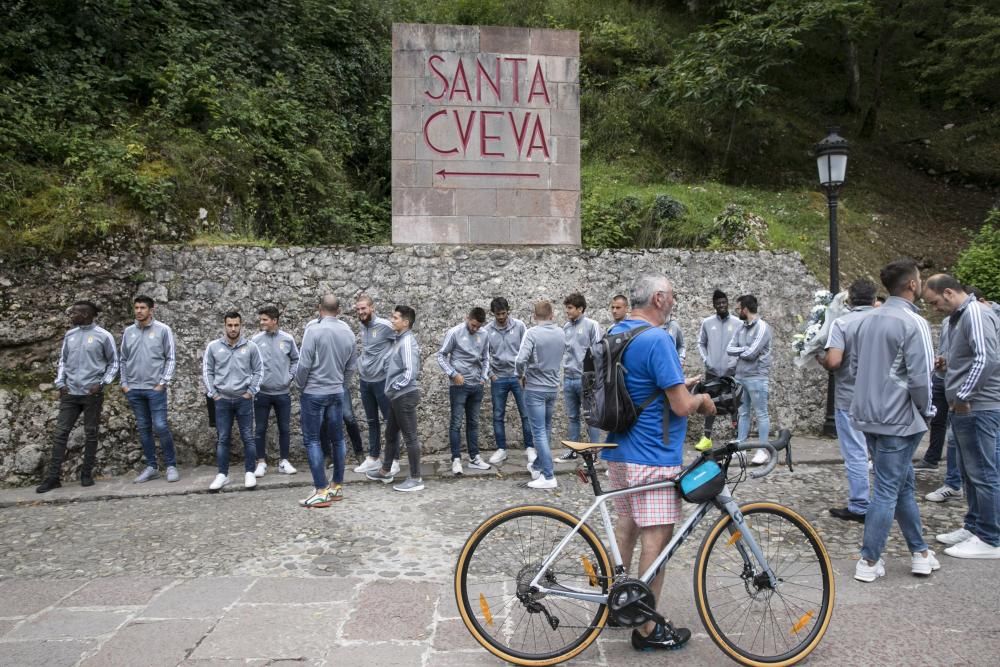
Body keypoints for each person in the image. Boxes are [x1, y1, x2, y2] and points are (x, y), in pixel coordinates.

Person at [603, 274, 716, 651]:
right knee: (658, 538)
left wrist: (679, 381)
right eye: (673, 296)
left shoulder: (618, 333)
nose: (675, 302)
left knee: (626, 526)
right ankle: (647, 628)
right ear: (658, 298)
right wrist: (700, 400)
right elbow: (681, 406)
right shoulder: (659, 338)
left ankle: (614, 604)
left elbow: (638, 384)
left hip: (618, 449)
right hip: (652, 453)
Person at [850, 259, 939, 582]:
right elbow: (921, 378)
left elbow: (857, 367)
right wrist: (927, 410)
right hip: (899, 418)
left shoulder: (867, 321)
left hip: (868, 414)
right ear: (912, 285)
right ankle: (869, 560)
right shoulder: (913, 324)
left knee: (901, 484)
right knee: (888, 489)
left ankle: (920, 551)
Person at [923, 275, 1000, 559]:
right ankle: (975, 527)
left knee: (983, 472)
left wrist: (963, 396)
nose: (934, 309)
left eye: (934, 302)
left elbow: (987, 359)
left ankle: (990, 538)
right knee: (971, 472)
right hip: (971, 406)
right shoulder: (961, 317)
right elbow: (973, 358)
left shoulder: (976, 314)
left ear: (948, 292)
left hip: (979, 406)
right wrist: (948, 364)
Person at [36, 301, 119, 494]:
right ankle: (53, 477)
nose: (72, 314)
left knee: (91, 433)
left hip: (92, 393)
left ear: (87, 314)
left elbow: (113, 363)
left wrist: (102, 383)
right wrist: (60, 383)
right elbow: (63, 361)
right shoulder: (70, 335)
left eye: (76, 312)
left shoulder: (103, 336)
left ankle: (86, 474)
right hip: (70, 393)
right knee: (60, 433)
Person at [817, 279, 877, 522]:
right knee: (879, 451)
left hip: (850, 397)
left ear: (850, 300)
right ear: (874, 299)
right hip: (880, 397)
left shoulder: (842, 323)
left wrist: (820, 358)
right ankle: (885, 501)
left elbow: (834, 361)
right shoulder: (883, 321)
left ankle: (860, 504)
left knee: (855, 453)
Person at [295, 295, 357, 508]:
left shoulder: (313, 330)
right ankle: (336, 486)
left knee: (312, 440)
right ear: (338, 310)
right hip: (336, 391)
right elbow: (351, 366)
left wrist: (300, 385)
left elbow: (304, 364)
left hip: (314, 392)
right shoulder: (348, 332)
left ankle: (321, 489)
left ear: (319, 308)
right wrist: (342, 385)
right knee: (338, 439)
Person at [365, 305, 425, 492]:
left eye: (395, 318)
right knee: (390, 434)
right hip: (397, 396)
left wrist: (394, 387)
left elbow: (410, 372)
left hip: (404, 395)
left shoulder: (407, 341)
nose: (392, 320)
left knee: (410, 437)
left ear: (406, 322)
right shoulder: (400, 340)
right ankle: (385, 471)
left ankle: (415, 478)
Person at [202, 311, 263, 492]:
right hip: (221, 400)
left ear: (241, 325)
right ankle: (222, 474)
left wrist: (251, 391)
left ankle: (249, 472)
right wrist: (213, 393)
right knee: (223, 438)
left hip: (243, 399)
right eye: (230, 325)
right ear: (224, 326)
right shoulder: (213, 347)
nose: (233, 328)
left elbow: (259, 370)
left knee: (248, 437)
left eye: (236, 325)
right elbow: (207, 371)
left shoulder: (251, 347)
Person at [121, 295, 179, 484]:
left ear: (151, 310)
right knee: (144, 428)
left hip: (155, 388)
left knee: (161, 426)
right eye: (136, 307)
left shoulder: (163, 330)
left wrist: (163, 382)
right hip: (134, 389)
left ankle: (171, 465)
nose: (139, 311)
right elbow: (123, 359)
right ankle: (152, 467)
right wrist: (125, 384)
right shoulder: (129, 332)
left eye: (142, 308)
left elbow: (170, 357)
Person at [515, 300, 566, 489]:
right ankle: (537, 465)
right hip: (553, 387)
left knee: (538, 433)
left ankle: (548, 475)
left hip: (535, 388)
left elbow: (520, 359)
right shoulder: (561, 332)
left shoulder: (532, 333)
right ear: (552, 315)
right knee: (545, 429)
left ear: (534, 316)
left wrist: (520, 375)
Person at [437, 307, 492, 475]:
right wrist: (453, 374)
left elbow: (486, 357)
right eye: (473, 325)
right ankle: (456, 459)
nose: (475, 329)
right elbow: (441, 355)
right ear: (467, 318)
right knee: (456, 423)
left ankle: (474, 457)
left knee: (473, 423)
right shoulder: (454, 332)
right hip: (459, 386)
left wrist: (484, 377)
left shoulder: (484, 334)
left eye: (478, 326)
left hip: (477, 385)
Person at [352, 295, 400, 477]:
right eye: (358, 309)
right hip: (366, 381)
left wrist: (389, 367)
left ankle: (394, 460)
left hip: (382, 381)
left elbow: (400, 343)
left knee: (390, 422)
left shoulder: (385, 325)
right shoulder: (363, 326)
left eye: (363, 308)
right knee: (371, 421)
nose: (360, 312)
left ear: (372, 308)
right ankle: (373, 458)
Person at [484, 297, 534, 465]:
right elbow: (484, 355)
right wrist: (490, 374)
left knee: (526, 413)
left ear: (508, 311)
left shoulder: (519, 326)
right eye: (498, 314)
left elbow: (527, 350)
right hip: (498, 377)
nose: (501, 317)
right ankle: (501, 449)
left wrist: (524, 373)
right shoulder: (487, 331)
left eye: (503, 313)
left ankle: (530, 448)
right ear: (493, 314)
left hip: (517, 376)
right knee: (498, 415)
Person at [251, 305, 299, 478]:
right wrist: (255, 383)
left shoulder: (287, 339)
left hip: (282, 392)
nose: (261, 322)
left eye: (265, 319)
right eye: (261, 319)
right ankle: (261, 462)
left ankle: (284, 461)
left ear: (274, 321)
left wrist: (289, 377)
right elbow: (250, 363)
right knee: (260, 429)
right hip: (262, 393)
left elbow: (296, 359)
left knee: (284, 428)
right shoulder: (255, 341)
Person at [555, 292, 602, 462]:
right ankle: (572, 451)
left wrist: (595, 377)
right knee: (572, 417)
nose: (567, 311)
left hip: (586, 379)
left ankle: (595, 453)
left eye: (570, 308)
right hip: (569, 378)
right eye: (566, 308)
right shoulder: (565, 328)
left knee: (591, 417)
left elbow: (599, 352)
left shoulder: (592, 325)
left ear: (580, 309)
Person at [726, 294, 772, 465]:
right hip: (741, 376)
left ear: (745, 309)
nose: (737, 312)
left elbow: (751, 354)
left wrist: (742, 350)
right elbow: (729, 348)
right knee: (743, 412)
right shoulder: (741, 327)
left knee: (761, 413)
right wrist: (743, 349)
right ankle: (742, 446)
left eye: (738, 309)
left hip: (757, 377)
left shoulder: (762, 328)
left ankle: (763, 450)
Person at [697, 289, 739, 439]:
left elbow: (742, 344)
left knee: (734, 404)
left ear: (727, 303)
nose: (722, 305)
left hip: (731, 373)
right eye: (718, 303)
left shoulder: (737, 323)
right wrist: (707, 360)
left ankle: (737, 438)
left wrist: (735, 362)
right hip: (712, 372)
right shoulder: (707, 323)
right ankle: (706, 438)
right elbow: (701, 343)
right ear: (714, 305)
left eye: (724, 302)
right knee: (710, 402)